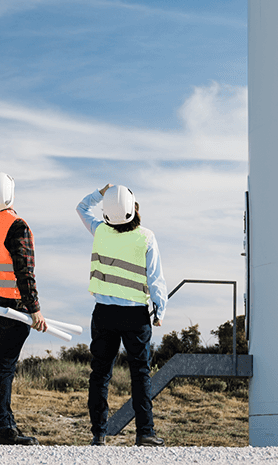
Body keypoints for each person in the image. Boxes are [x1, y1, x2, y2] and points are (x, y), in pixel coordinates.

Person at [76, 184, 167, 447]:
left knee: (100, 373)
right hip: (135, 316)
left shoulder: (99, 231)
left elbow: (81, 208)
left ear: (106, 212)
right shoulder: (146, 237)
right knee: (140, 374)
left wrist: (99, 193)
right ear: (134, 208)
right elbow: (156, 278)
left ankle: (98, 434)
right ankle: (145, 433)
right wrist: (160, 310)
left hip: (104, 313)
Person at [0, 171, 48, 446]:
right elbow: (24, 271)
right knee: (4, 366)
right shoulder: (16, 225)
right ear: (11, 194)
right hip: (11, 304)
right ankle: (0, 427)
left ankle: (5, 424)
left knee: (1, 364)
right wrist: (35, 309)